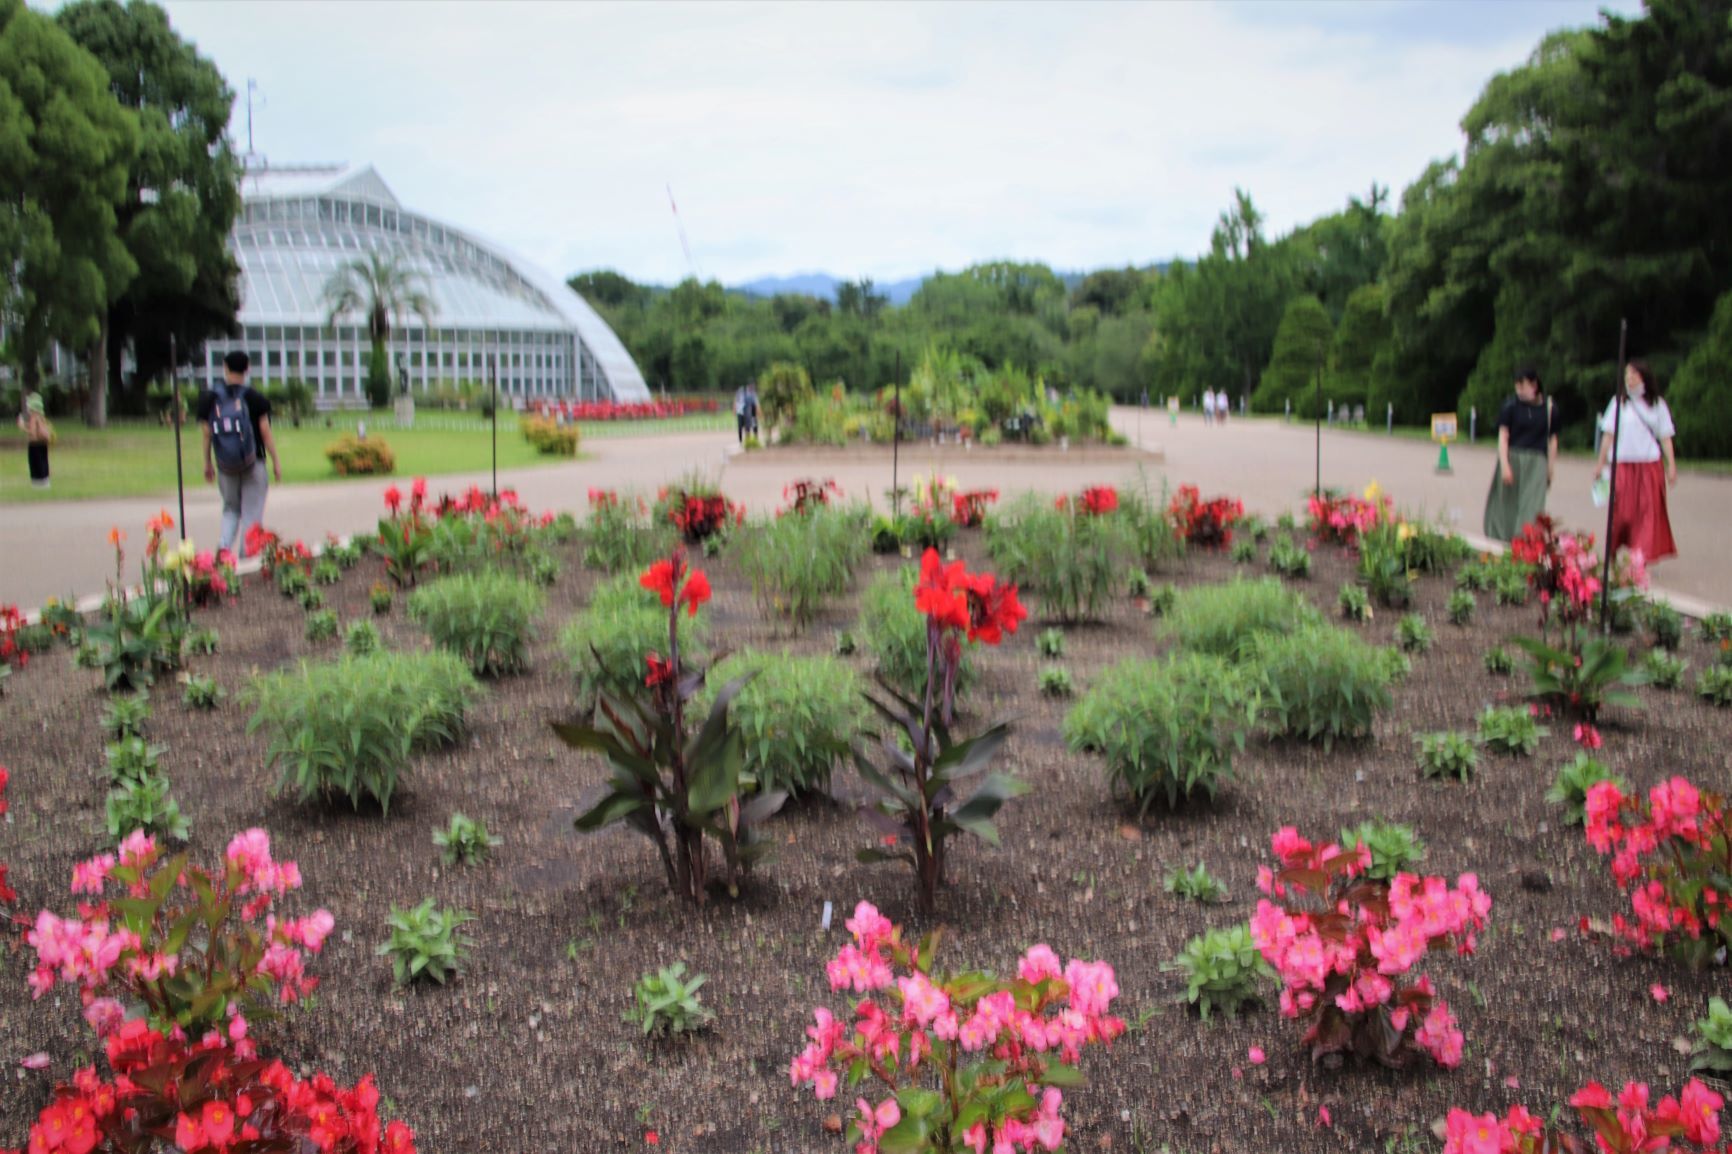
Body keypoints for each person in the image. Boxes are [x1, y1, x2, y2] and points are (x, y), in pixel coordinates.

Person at [197, 351, 281, 555]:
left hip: (225, 465)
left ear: (225, 367)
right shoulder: (255, 397)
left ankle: (224, 547)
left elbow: (207, 434)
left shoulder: (209, 398)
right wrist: (276, 461)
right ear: (247, 368)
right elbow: (265, 432)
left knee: (230, 509)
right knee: (252, 513)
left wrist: (208, 463)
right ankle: (247, 558)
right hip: (254, 463)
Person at [1596, 360, 1677, 562]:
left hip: (1649, 464)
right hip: (1623, 464)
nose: (1629, 378)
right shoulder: (1618, 403)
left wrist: (1672, 466)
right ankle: (1613, 550)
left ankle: (1640, 556)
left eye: (1634, 374)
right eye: (1627, 374)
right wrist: (1600, 463)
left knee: (1648, 511)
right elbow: (1608, 434)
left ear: (1644, 377)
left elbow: (1665, 437)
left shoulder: (1657, 404)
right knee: (1622, 511)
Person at [1482, 366, 1557, 541]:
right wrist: (1505, 465)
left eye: (1522, 386)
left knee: (1532, 503)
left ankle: (1526, 541)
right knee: (1508, 501)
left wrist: (1551, 469)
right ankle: (1502, 538)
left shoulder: (1550, 408)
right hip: (1513, 456)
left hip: (1538, 460)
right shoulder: (1511, 406)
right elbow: (1503, 436)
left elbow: (1553, 440)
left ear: (1534, 385)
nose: (1519, 391)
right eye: (1517, 386)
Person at [16, 393, 53, 489]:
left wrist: (22, 427)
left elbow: (32, 433)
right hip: (43, 444)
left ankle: (38, 484)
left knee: (35, 463)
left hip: (34, 445)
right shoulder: (41, 417)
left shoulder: (33, 417)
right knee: (43, 461)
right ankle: (45, 481)